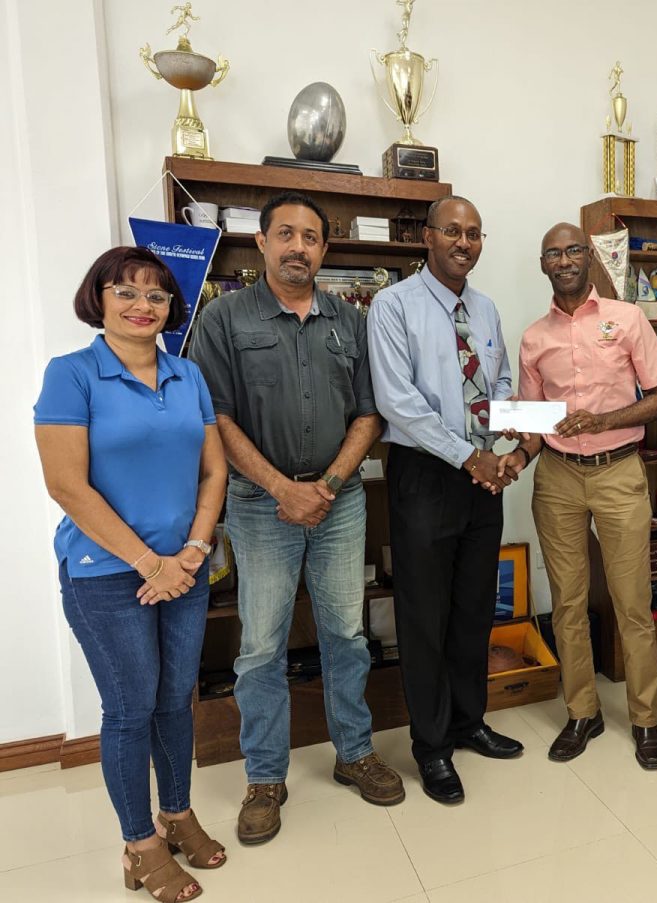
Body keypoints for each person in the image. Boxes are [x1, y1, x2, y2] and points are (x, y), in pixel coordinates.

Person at [188, 191, 404, 845]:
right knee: (260, 646)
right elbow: (215, 420)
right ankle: (264, 777)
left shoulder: (348, 320)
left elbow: (370, 412)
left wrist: (329, 482)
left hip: (338, 504)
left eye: (311, 237)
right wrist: (283, 487)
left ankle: (354, 752)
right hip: (259, 505)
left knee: (346, 632)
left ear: (324, 249)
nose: (298, 247)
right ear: (261, 241)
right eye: (286, 233)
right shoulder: (223, 320)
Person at [34, 247, 227, 900]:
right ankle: (140, 844)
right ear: (100, 297)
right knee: (130, 707)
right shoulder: (72, 374)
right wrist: (151, 563)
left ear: (173, 309)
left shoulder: (187, 376)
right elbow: (66, 484)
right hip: (106, 576)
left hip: (187, 569)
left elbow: (214, 470)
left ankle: (177, 813)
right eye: (126, 291)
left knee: (176, 700)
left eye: (157, 296)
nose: (142, 306)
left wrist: (194, 551)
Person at [366, 195, 524, 805]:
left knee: (473, 609)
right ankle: (430, 746)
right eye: (453, 231)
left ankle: (469, 722)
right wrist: (468, 455)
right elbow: (397, 401)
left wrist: (515, 432)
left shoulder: (484, 309)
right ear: (427, 238)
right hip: (426, 475)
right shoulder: (392, 305)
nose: (465, 242)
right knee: (425, 615)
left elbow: (500, 380)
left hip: (482, 476)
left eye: (476, 233)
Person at [504, 222, 657, 769]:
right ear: (543, 264)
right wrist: (515, 449)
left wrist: (601, 419)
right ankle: (583, 712)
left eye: (573, 249)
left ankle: (646, 720)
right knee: (569, 603)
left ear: (589, 258)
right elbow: (535, 423)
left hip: (620, 471)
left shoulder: (626, 319)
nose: (564, 259)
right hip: (556, 477)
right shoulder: (534, 337)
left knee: (632, 604)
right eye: (552, 252)